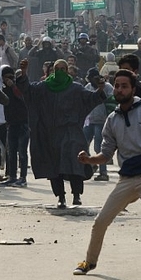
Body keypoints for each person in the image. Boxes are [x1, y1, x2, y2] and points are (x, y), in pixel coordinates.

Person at [74, 69, 141, 279]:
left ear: (133, 89)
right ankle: (89, 262)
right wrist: (89, 160)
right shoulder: (112, 119)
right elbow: (107, 153)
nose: (119, 89)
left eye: (124, 86)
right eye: (117, 86)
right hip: (128, 177)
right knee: (101, 221)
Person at [16, 58, 106, 208]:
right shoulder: (44, 87)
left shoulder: (76, 88)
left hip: (71, 132)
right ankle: (61, 197)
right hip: (50, 134)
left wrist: (101, 89)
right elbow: (27, 90)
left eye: (63, 69)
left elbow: (91, 99)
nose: (60, 72)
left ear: (68, 70)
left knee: (75, 162)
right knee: (54, 166)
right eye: (57, 69)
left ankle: (76, 194)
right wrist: (24, 72)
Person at [0, 65, 30, 187]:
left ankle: (23, 177)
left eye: (11, 77)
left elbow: (21, 97)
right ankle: (12, 176)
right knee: (11, 151)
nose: (8, 79)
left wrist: (13, 85)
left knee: (22, 151)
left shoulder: (19, 86)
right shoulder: (4, 89)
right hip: (11, 124)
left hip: (23, 123)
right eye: (6, 77)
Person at [82, 67, 114, 181]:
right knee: (83, 143)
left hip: (102, 121)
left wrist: (101, 89)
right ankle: (92, 164)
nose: (92, 81)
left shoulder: (108, 87)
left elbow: (112, 101)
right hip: (90, 120)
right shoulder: (88, 87)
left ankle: (103, 172)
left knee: (99, 147)